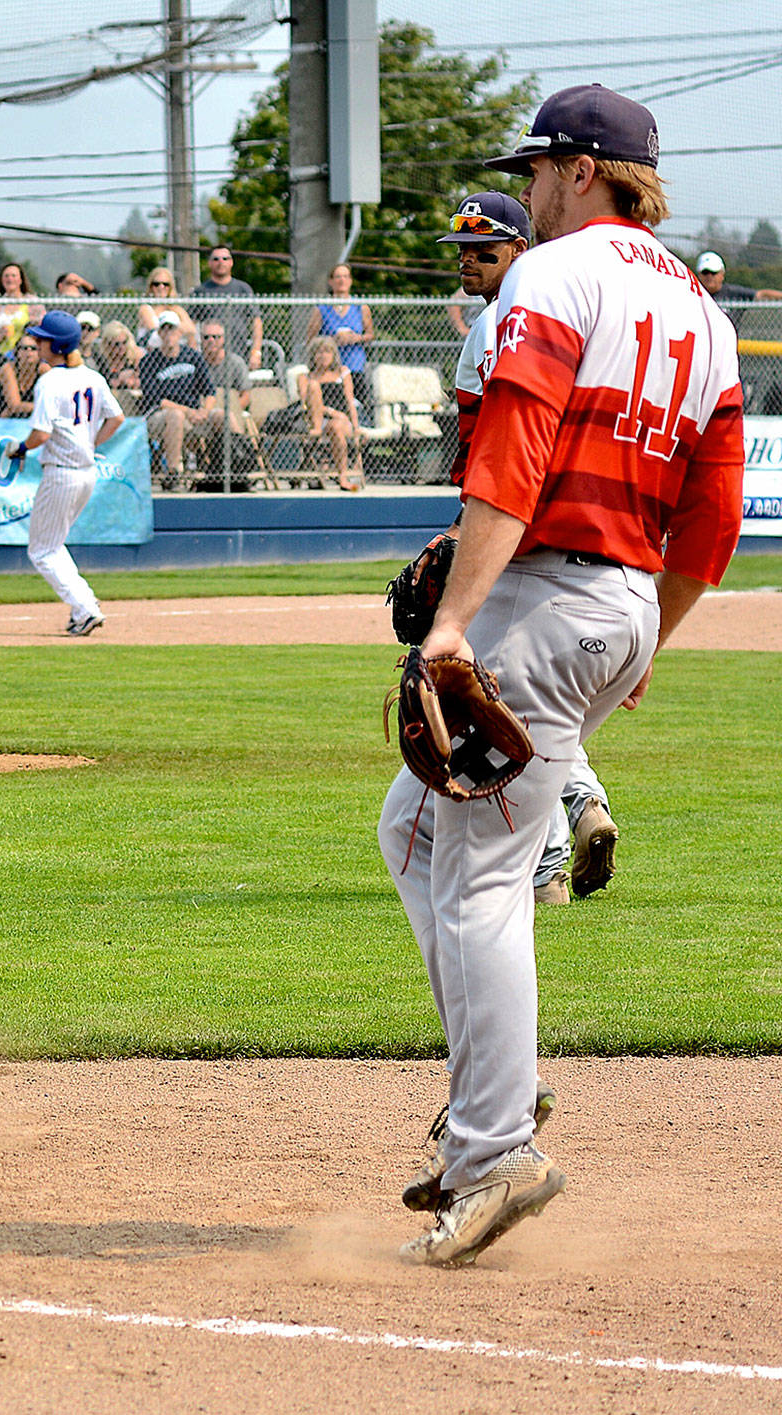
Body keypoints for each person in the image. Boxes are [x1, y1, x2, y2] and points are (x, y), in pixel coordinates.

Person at [382, 84, 743, 1267]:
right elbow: (713, 515)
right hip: (624, 598)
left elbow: (513, 448)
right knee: (414, 835)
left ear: (582, 170)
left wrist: (453, 621)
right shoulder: (705, 312)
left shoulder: (553, 273)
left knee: (481, 873)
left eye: (537, 170)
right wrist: (645, 641)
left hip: (542, 593)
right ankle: (494, 1093)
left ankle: (492, 1147)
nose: (526, 189)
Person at [436, 190, 623, 909]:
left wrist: (465, 540)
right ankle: (585, 806)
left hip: (521, 538)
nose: (469, 260)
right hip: (586, 538)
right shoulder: (567, 313)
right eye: (462, 249)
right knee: (545, 700)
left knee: (500, 703)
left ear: (521, 248)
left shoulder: (500, 329)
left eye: (485, 247)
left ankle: (542, 870)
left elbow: (489, 459)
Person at [0, 311, 123, 636]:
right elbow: (117, 418)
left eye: (42, 340)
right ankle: (84, 605)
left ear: (56, 345)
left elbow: (40, 434)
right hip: (85, 472)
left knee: (41, 550)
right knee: (53, 545)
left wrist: (20, 449)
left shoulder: (50, 381)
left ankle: (85, 608)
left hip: (62, 473)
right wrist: (89, 442)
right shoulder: (94, 377)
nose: (37, 344)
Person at [137, 311, 214, 488]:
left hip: (194, 415)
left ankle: (235, 469)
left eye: (172, 329)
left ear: (179, 332)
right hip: (159, 417)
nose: (169, 334)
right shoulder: (149, 361)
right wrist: (188, 411)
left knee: (221, 416)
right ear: (159, 333)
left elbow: (210, 392)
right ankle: (173, 473)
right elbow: (156, 400)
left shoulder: (193, 356)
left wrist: (205, 411)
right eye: (164, 330)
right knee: (175, 416)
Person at [297, 334, 364, 491]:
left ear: (333, 355)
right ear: (313, 356)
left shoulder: (342, 372)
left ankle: (342, 476)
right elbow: (305, 404)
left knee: (336, 427)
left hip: (342, 420)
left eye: (327, 351)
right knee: (313, 386)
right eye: (319, 352)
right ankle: (318, 430)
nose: (323, 356)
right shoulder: (305, 377)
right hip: (318, 420)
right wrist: (331, 412)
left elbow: (350, 401)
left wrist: (356, 426)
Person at [302, 263, 374, 406]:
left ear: (351, 280)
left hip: (354, 366)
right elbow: (311, 338)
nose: (342, 280)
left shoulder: (360, 307)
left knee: (356, 403)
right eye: (338, 277)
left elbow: (370, 335)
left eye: (346, 276)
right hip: (330, 369)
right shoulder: (322, 308)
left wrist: (355, 338)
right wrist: (331, 341)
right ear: (331, 281)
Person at [193, 320, 253, 483]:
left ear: (224, 339)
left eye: (216, 337)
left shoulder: (235, 363)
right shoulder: (195, 363)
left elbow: (246, 396)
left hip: (232, 414)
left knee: (226, 415)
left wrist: (232, 409)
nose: (211, 340)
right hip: (203, 417)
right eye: (206, 337)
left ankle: (240, 465)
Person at [188, 246, 263, 369]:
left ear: (231, 262)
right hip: (210, 358)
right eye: (216, 259)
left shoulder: (243, 289)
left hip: (239, 353)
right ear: (210, 263)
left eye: (225, 258)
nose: (221, 262)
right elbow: (190, 324)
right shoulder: (201, 291)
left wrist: (256, 352)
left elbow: (256, 322)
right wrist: (193, 350)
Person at [693, 250, 782, 328]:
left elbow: (761, 294)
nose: (709, 276)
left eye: (714, 272)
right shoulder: (692, 295)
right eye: (705, 272)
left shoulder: (733, 293)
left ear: (722, 274)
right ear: (699, 275)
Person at [134, 267, 196, 350]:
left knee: (191, 339)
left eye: (165, 284)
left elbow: (191, 329)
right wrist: (176, 329)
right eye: (156, 284)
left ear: (170, 287)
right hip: (152, 352)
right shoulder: (146, 308)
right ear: (151, 287)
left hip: (173, 350)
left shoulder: (176, 309)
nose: (161, 287)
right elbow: (154, 327)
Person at [0, 263, 41, 358]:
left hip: (24, 355)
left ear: (20, 280)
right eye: (6, 276)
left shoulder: (32, 302)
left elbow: (40, 325)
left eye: (13, 275)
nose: (10, 279)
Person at [0, 333, 43, 417]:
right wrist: (42, 407)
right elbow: (14, 406)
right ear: (17, 352)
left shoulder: (43, 369)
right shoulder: (8, 368)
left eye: (33, 348)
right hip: (3, 417)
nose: (29, 351)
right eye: (24, 348)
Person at [95, 320, 140, 398]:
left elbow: (137, 381)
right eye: (117, 344)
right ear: (108, 344)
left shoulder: (134, 358)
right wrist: (120, 378)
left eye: (124, 342)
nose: (121, 347)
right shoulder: (101, 361)